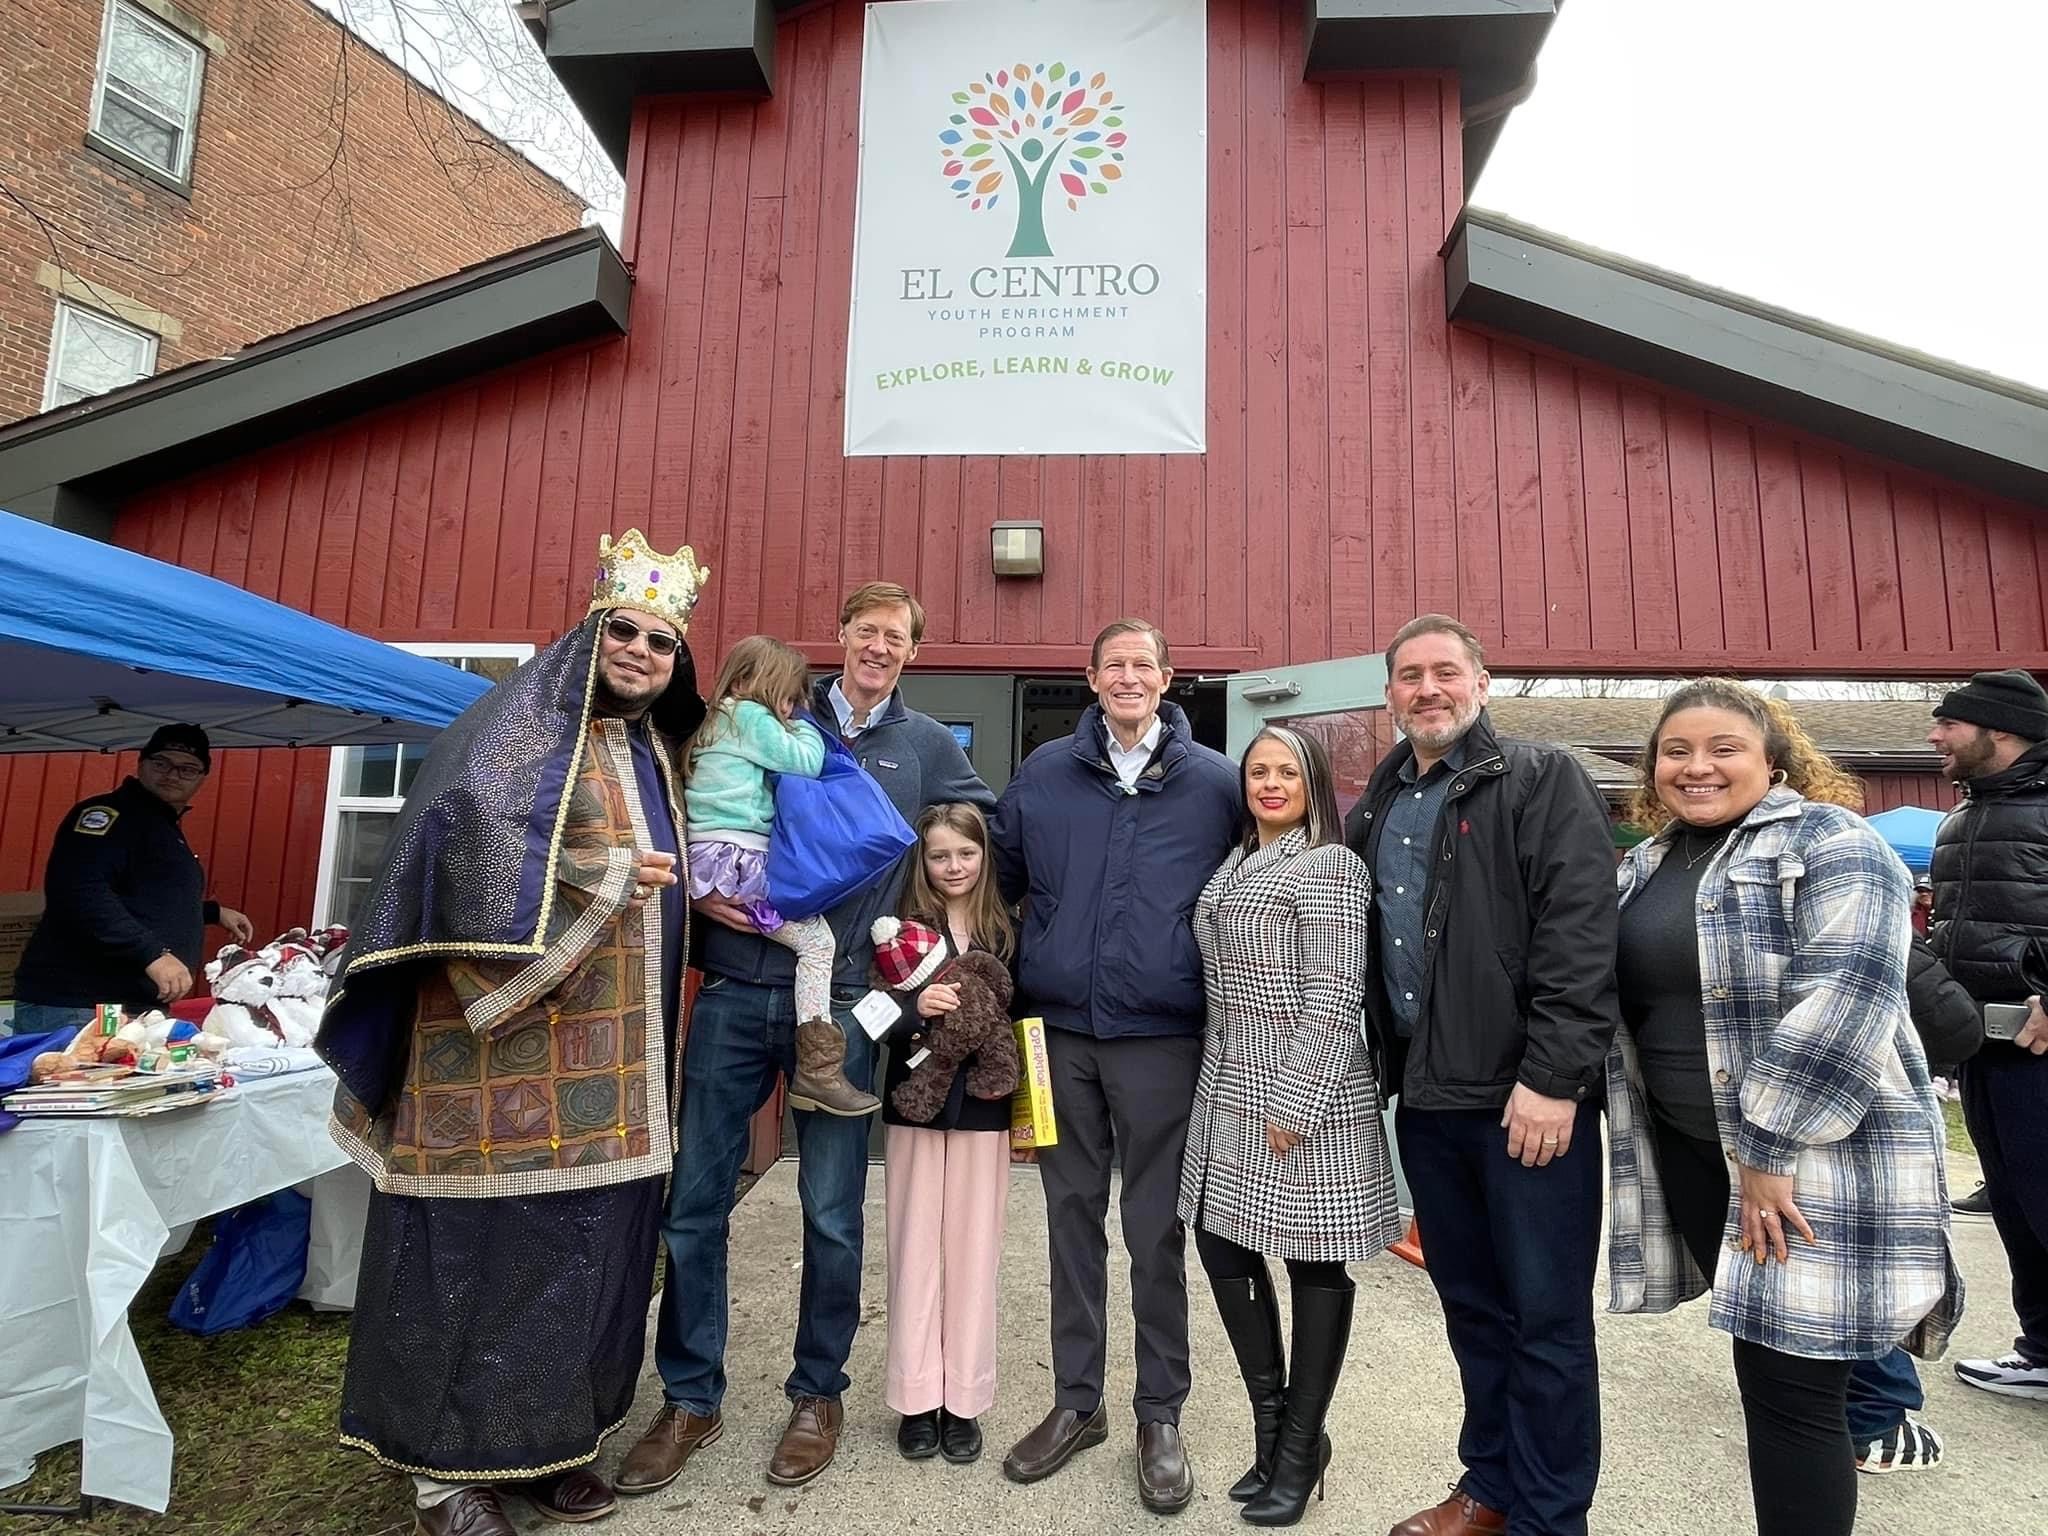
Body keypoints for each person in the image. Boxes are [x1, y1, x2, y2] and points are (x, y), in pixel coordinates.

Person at [315, 531, 709, 1536]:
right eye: (622, 630)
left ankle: (553, 1448)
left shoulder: (655, 748)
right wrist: (607, 873)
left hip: (615, 1072)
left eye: (660, 644)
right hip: (493, 1063)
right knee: (475, 1258)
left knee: (587, 1256)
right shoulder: (512, 726)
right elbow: (463, 837)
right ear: (588, 630)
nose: (638, 652)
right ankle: (444, 1478)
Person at [624, 582, 992, 1496]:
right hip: (737, 992)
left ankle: (817, 1392)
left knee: (832, 1212)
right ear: (841, 637)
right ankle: (690, 1398)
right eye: (865, 632)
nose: (878, 648)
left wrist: (949, 942)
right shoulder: (771, 709)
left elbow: (989, 839)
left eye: (896, 637)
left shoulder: (929, 745)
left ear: (914, 650)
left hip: (847, 1004)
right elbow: (679, 803)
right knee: (697, 1202)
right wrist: (683, 886)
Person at [1606, 678, 1962, 1536]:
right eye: (1676, 750)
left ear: (1773, 758)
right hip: (1695, 1153)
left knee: (1798, 1399)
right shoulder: (1646, 863)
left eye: (1724, 748)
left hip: (1811, 1166)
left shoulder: (1834, 843)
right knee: (1767, 1381)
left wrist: (1767, 1155)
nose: (1697, 767)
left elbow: (1844, 1001)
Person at [1343, 615, 1618, 1536]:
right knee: (1473, 1312)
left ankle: (1550, 1518)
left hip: (1525, 1102)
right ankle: (1491, 1488)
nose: (1427, 689)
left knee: (1545, 1323)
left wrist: (1554, 1077)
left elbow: (1580, 935)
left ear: (1483, 683)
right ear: (1390, 696)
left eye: (1445, 672)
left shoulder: (1539, 779)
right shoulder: (1379, 799)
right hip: (1428, 1101)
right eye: (1409, 677)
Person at [991, 618, 1241, 1515]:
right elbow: (1004, 884)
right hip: (1056, 1037)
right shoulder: (1044, 776)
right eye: (1114, 666)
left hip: (1163, 1042)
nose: (1129, 678)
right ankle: (1076, 1403)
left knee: (1155, 1230)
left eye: (1145, 665)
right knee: (1068, 1220)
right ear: (1090, 678)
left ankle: (1159, 1412)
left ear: (1169, 679)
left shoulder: (1216, 784)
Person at [1179, 726, 1402, 1527]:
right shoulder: (1237, 859)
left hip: (1299, 1090)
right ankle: (1273, 1430)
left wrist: (1294, 1101)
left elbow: (1336, 994)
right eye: (1258, 772)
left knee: (1313, 1261)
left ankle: (1300, 1450)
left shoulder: (1329, 866)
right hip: (1225, 1081)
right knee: (1220, 1244)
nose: (1270, 784)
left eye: (1287, 772)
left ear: (1313, 781)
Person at [877, 803, 1017, 1466]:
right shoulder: (898, 929)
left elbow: (1027, 1022)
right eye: (940, 855)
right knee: (915, 1249)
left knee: (972, 1251)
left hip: (985, 1110)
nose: (954, 866)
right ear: (923, 862)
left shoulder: (1007, 929)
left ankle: (963, 1398)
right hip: (915, 1106)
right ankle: (915, 1397)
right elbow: (865, 1011)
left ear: (983, 856)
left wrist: (1028, 1117)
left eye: (965, 853)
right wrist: (912, 1009)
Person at [684, 634, 877, 1116]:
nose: (790, 707)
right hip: (739, 861)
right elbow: (806, 762)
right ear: (755, 684)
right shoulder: (747, 716)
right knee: (816, 943)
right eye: (787, 697)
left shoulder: (713, 721)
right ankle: (818, 1068)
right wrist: (809, 727)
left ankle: (816, 1065)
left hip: (714, 859)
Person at [1923, 668, 2048, 1401]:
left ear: (1999, 730)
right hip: (1984, 1048)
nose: (1935, 737)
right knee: (2015, 1203)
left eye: (1949, 725)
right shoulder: (1960, 819)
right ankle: (2041, 1351)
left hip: (2039, 1049)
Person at [12, 722, 253, 1033]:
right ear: (141, 763)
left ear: (202, 778)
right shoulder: (107, 815)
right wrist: (152, 954)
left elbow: (144, 894)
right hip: (78, 1003)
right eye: (161, 763)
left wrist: (213, 912)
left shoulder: (160, 822)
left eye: (187, 769)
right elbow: (81, 892)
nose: (172, 774)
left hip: (123, 1004)